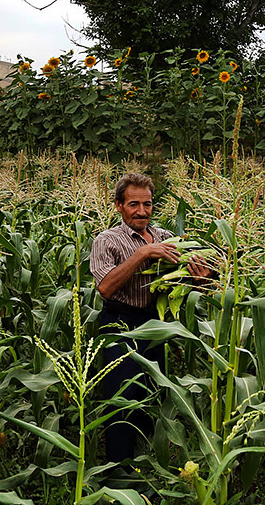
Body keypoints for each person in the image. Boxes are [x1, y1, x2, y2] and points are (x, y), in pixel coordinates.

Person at [90, 172, 211, 463]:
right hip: (120, 324)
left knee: (152, 394)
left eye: (147, 204)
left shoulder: (167, 239)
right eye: (133, 204)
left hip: (156, 325)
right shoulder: (107, 241)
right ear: (119, 205)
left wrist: (200, 279)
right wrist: (143, 253)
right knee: (121, 397)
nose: (142, 211)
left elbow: (182, 286)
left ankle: (148, 464)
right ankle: (119, 470)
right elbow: (105, 287)